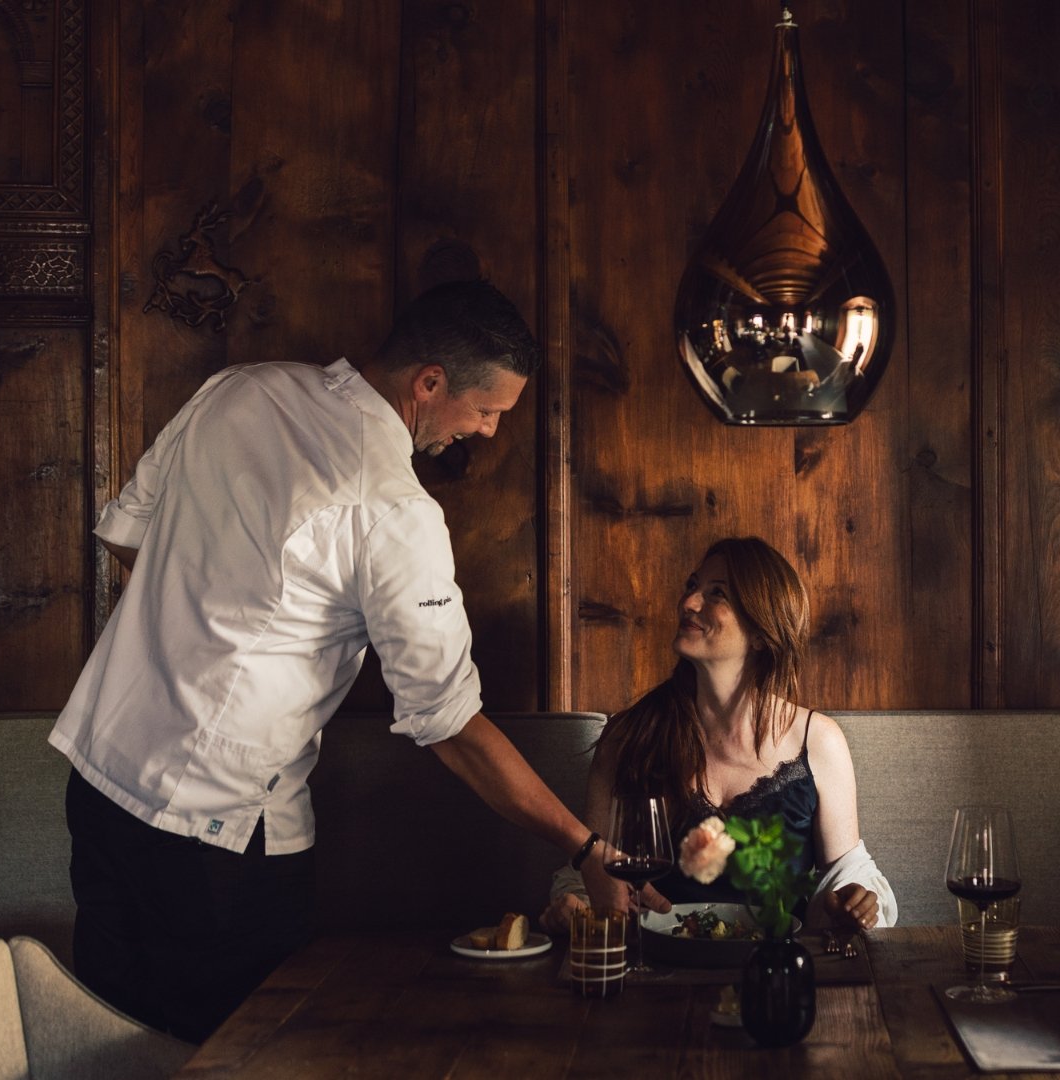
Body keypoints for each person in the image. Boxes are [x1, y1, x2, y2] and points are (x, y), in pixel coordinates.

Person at [51, 280, 620, 1041]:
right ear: (429, 383)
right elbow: (450, 725)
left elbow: (128, 537)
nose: (485, 431)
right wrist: (583, 846)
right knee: (248, 1053)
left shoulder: (238, 390)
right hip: (215, 832)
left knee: (108, 1045)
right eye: (486, 411)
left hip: (101, 776)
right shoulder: (393, 508)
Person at [541, 536, 897, 933]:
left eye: (716, 594)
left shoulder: (818, 741)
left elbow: (845, 875)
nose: (689, 603)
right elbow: (589, 869)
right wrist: (573, 907)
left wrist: (854, 900)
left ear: (763, 633)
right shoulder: (629, 736)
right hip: (659, 976)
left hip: (777, 971)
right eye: (692, 587)